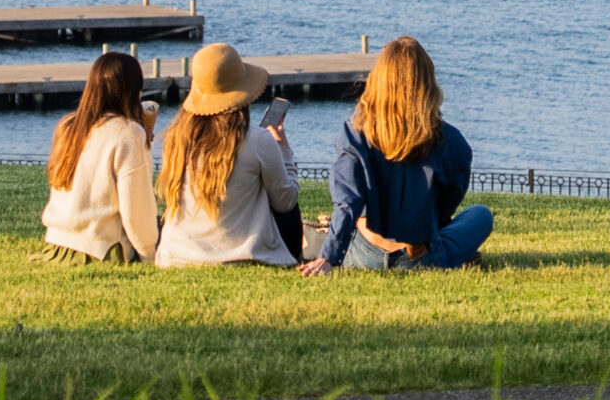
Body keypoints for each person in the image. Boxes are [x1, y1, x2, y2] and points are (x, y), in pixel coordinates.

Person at [300, 35, 491, 275]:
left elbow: (348, 201)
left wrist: (329, 258)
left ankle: (327, 239)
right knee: (480, 215)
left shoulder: (354, 132)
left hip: (364, 253)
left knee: (354, 220)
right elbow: (449, 200)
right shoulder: (449, 139)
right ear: (426, 82)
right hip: (421, 256)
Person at [154, 44, 298, 269]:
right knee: (285, 197)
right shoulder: (258, 140)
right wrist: (284, 151)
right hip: (240, 256)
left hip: (176, 255)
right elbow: (285, 202)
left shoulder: (175, 138)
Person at [36, 52, 158, 265]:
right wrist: (150, 256)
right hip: (102, 250)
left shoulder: (68, 126)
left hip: (57, 245)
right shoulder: (129, 133)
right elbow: (136, 211)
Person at [262, 96, 306, 261]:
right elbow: (286, 200)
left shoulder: (179, 141)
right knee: (286, 205)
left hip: (188, 249)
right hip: (249, 244)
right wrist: (283, 148)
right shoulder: (252, 142)